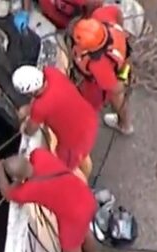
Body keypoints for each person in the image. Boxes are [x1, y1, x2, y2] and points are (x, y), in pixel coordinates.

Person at [0, 149, 96, 252]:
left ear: (16, 177)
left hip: (73, 216)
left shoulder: (28, 190)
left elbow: (7, 193)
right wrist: (10, 164)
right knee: (85, 232)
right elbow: (26, 163)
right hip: (84, 196)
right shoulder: (39, 154)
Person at [12, 65, 98, 178]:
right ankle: (87, 171)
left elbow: (30, 130)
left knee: (67, 170)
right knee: (82, 154)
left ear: (30, 92)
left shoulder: (40, 108)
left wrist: (24, 126)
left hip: (74, 142)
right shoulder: (52, 72)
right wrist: (29, 109)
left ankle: (84, 190)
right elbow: (50, 100)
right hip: (89, 120)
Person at [70, 6, 134, 135]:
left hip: (112, 78)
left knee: (107, 102)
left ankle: (125, 125)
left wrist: (123, 78)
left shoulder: (99, 65)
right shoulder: (102, 14)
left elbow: (115, 88)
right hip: (123, 58)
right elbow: (117, 12)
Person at [15, 0, 103, 31]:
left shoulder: (91, 2)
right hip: (43, 11)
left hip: (65, 27)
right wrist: (25, 11)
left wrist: (74, 27)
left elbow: (91, 18)